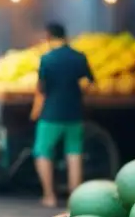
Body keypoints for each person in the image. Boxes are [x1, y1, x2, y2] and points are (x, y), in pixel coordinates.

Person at [31, 23, 94, 207]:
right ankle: (74, 199)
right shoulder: (79, 57)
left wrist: (35, 111)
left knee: (43, 151)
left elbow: (41, 89)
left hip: (51, 114)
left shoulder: (47, 59)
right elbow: (90, 82)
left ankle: (49, 195)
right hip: (74, 113)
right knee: (74, 153)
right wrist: (78, 95)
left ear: (49, 36)